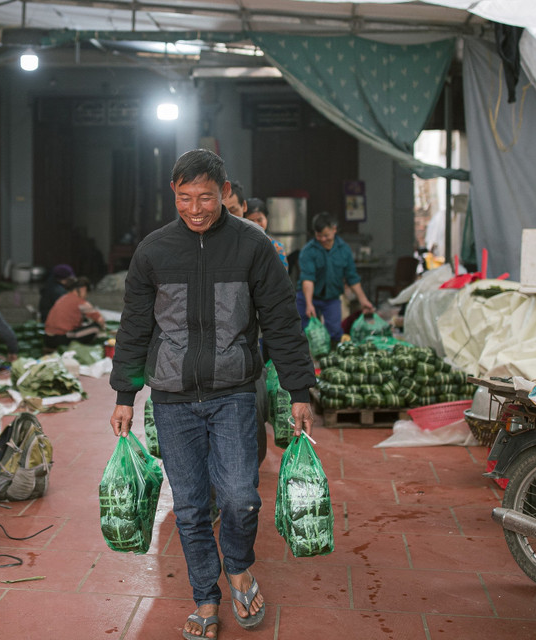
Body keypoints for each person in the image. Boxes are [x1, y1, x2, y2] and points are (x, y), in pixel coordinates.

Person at [109, 149, 316, 640]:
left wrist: (298, 389)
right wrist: (124, 394)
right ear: (173, 195)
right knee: (191, 506)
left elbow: (282, 323)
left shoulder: (252, 246)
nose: (195, 208)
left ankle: (239, 567)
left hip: (235, 392)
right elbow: (135, 326)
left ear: (225, 194)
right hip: (173, 398)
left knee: (242, 497)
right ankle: (205, 595)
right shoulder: (154, 251)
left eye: (205, 197)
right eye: (185, 198)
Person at [297, 212, 375, 343]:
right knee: (305, 333)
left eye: (326, 235)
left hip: (331, 298)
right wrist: (309, 304)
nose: (322, 239)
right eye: (318, 235)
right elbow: (308, 279)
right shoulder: (308, 251)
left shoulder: (344, 249)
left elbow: (352, 278)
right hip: (307, 297)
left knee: (334, 333)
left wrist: (363, 300)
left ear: (334, 229)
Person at [43, 276, 105, 349]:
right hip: (60, 339)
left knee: (83, 326)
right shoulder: (80, 302)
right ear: (82, 289)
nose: (86, 295)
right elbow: (100, 320)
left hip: (48, 338)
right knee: (95, 327)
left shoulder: (63, 298)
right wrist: (104, 329)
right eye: (86, 292)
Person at [244, 198, 288, 269]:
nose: (256, 224)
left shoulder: (277, 248)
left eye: (259, 220)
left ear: (266, 219)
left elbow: (282, 277)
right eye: (251, 221)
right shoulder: (237, 246)